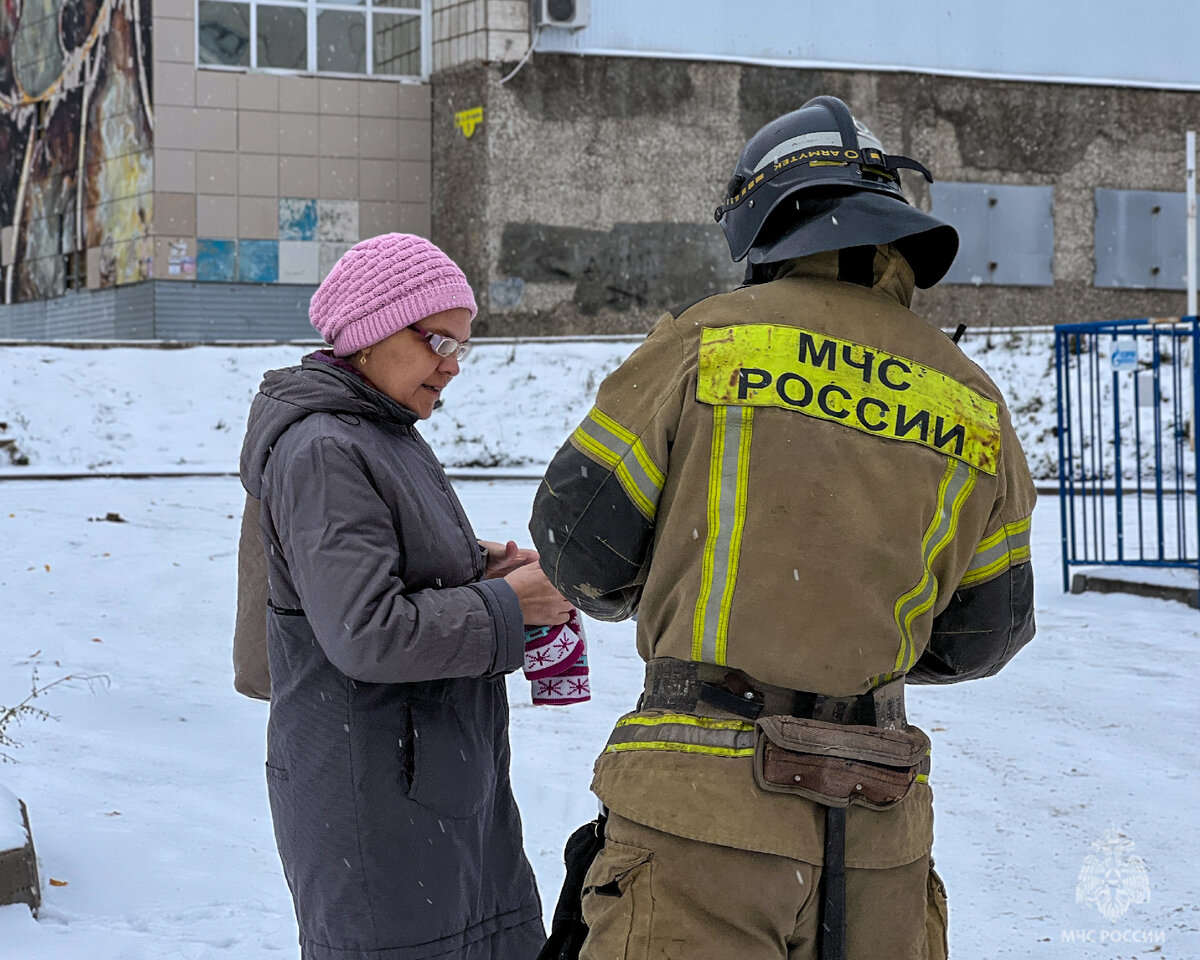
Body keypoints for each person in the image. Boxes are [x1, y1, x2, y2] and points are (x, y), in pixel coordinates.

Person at [529, 96, 1036, 960]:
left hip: (699, 825)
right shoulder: (972, 399)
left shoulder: (705, 344)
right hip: (879, 836)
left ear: (767, 220)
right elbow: (986, 636)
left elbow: (579, 549)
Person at [237, 233, 568, 960]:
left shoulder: (381, 430)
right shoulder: (326, 447)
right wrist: (513, 606)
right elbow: (368, 630)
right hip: (375, 805)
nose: (451, 368)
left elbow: (379, 557)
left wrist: (481, 568)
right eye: (438, 343)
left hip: (431, 784)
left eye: (462, 349)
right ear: (370, 332)